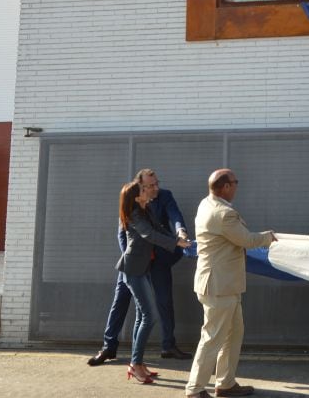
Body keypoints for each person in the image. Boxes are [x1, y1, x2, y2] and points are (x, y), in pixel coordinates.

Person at [185, 169, 277, 398]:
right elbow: (246, 240)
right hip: (219, 286)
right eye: (235, 182)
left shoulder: (206, 204)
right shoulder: (224, 213)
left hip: (222, 284)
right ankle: (195, 389)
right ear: (225, 187)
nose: (237, 186)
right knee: (213, 337)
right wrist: (268, 237)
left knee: (233, 334)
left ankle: (225, 384)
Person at [88, 169, 192, 367]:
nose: (155, 188)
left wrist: (180, 232)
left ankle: (168, 346)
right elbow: (124, 235)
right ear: (140, 187)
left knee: (164, 301)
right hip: (135, 261)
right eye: (150, 186)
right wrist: (131, 259)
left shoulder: (164, 196)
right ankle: (109, 347)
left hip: (159, 259)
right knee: (121, 301)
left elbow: (174, 216)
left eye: (156, 184)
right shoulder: (130, 203)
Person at [116, 180, 188, 384]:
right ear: (137, 195)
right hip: (132, 270)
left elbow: (160, 230)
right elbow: (149, 234)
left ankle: (137, 363)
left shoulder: (145, 210)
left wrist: (182, 239)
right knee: (150, 316)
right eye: (144, 189)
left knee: (142, 316)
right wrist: (176, 243)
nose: (149, 190)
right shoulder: (134, 214)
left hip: (142, 269)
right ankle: (135, 364)